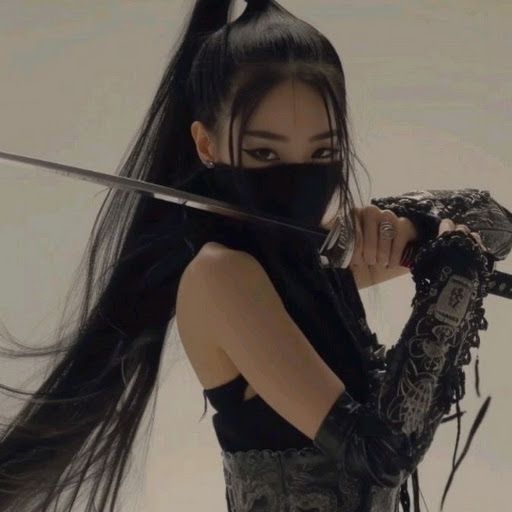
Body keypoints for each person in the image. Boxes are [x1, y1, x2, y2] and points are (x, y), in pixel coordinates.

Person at [0, 1, 505, 512]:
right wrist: (453, 277)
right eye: (265, 152)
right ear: (206, 144)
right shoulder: (220, 277)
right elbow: (378, 452)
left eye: (322, 152)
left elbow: (498, 227)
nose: (299, 180)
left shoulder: (321, 257)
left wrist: (412, 225)